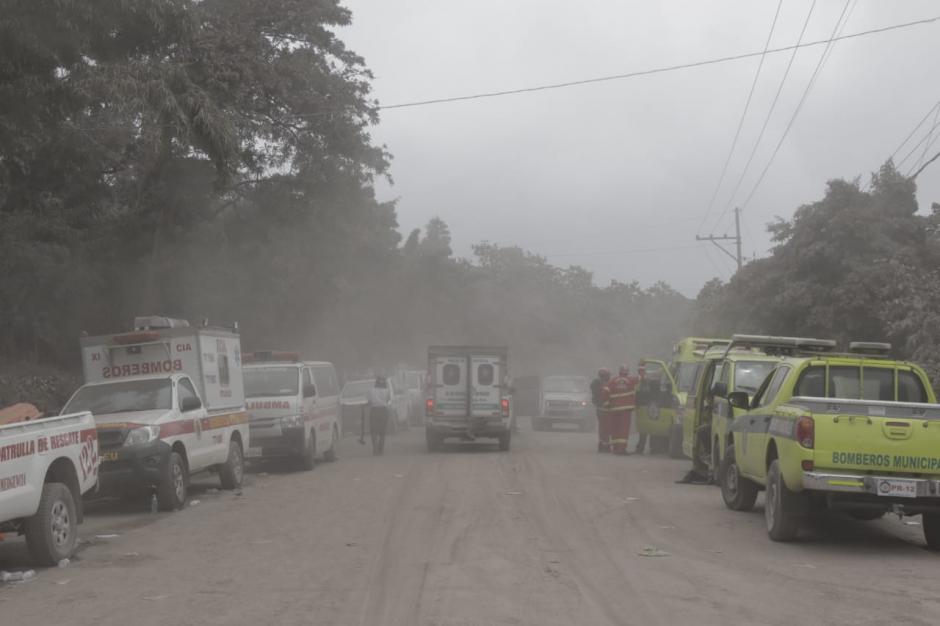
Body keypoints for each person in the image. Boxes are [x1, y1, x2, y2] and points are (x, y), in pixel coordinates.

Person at [606, 365, 638, 456]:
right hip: (625, 410)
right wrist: (641, 367)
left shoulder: (613, 380)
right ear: (627, 372)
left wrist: (607, 404)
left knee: (615, 429)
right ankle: (621, 450)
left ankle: (615, 448)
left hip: (614, 409)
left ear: (619, 371)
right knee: (623, 430)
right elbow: (641, 378)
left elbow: (605, 391)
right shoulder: (631, 380)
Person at [367, 374, 392, 455]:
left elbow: (369, 401)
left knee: (373, 431)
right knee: (382, 432)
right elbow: (388, 400)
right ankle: (381, 450)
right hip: (383, 411)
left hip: (374, 411)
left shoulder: (371, 390)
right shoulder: (387, 390)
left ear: (376, 383)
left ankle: (375, 448)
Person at [590, 368, 612, 452]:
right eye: (608, 375)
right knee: (606, 427)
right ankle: (606, 446)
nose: (609, 377)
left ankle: (601, 444)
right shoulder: (603, 384)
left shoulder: (596, 383)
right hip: (605, 409)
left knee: (602, 427)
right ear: (605, 376)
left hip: (599, 409)